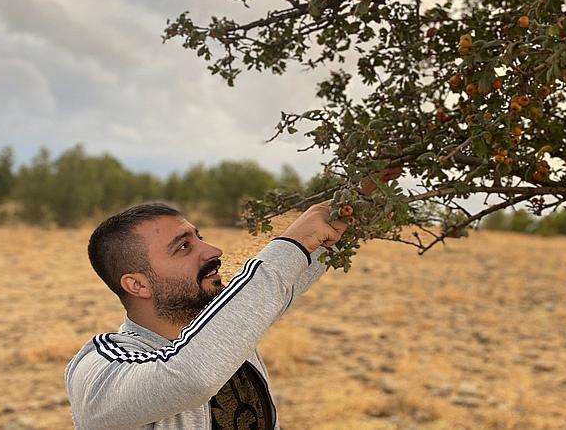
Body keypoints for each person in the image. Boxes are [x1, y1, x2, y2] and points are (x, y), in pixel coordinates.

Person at [65, 167, 402, 430]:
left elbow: (279, 284)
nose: (214, 251)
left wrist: (360, 193)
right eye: (184, 247)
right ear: (137, 284)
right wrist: (292, 243)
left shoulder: (226, 325)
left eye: (200, 237)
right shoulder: (99, 372)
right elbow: (191, 375)